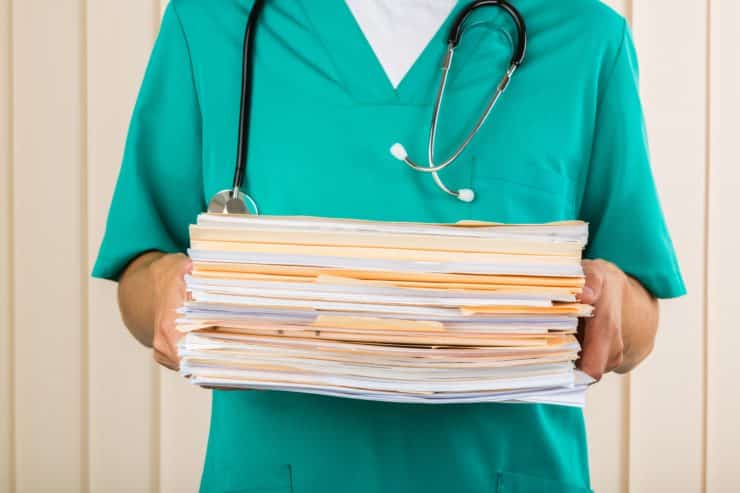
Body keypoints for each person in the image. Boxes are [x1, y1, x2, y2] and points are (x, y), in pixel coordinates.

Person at [92, 1, 686, 491]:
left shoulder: (585, 37)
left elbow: (638, 317)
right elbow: (142, 268)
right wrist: (168, 290)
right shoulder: (212, 24)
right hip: (274, 472)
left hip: (508, 471)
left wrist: (610, 299)